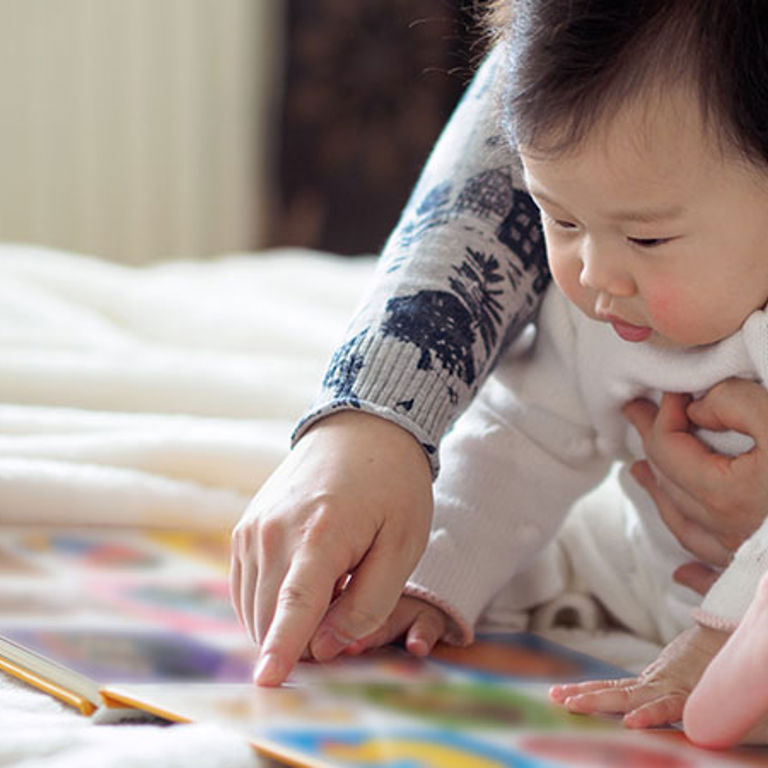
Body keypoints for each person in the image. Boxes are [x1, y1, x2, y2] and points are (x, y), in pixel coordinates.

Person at [230, 0, 768, 702]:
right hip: (649, 576)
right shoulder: (598, 311)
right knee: (545, 557)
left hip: (732, 622)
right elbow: (521, 440)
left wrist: (723, 638)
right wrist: (431, 579)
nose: (594, 274)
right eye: (561, 218)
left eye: (647, 240)